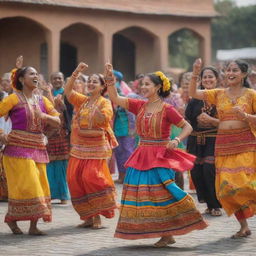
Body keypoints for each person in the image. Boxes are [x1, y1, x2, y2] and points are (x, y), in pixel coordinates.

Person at [104, 63, 207, 247]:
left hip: (160, 155)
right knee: (141, 193)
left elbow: (188, 126)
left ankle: (168, 233)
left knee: (162, 193)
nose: (142, 87)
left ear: (158, 87)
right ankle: (160, 231)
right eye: (141, 84)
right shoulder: (139, 105)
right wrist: (110, 80)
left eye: (147, 84)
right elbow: (115, 97)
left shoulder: (167, 109)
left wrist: (176, 141)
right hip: (141, 154)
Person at [189, 58, 256, 238]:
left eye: (235, 70)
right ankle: (243, 226)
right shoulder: (219, 93)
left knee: (245, 184)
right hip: (224, 144)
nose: (230, 73)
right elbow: (193, 93)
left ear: (243, 74)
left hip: (245, 144)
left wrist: (246, 115)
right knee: (227, 189)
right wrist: (196, 72)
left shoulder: (251, 94)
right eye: (228, 70)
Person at [0, 56, 60, 235]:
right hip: (17, 149)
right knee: (28, 185)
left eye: (37, 74)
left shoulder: (43, 100)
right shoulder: (13, 98)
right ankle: (14, 218)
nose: (36, 77)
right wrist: (1, 134)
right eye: (31, 74)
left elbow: (57, 120)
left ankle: (32, 225)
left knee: (40, 186)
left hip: (38, 148)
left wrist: (46, 117)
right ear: (21, 79)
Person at [64, 63, 118, 229]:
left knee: (91, 178)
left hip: (96, 148)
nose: (91, 84)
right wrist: (76, 73)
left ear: (102, 87)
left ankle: (98, 216)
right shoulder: (83, 101)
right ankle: (87, 216)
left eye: (95, 82)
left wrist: (98, 113)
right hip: (79, 147)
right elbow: (68, 92)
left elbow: (105, 119)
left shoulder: (105, 102)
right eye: (90, 81)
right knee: (74, 179)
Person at [185, 66, 222, 216]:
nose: (207, 80)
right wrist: (197, 119)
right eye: (205, 77)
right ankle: (208, 203)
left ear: (217, 79)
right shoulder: (195, 99)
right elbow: (188, 116)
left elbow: (228, 119)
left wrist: (212, 120)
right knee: (197, 172)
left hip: (213, 139)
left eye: (210, 77)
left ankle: (215, 205)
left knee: (209, 169)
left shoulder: (222, 97)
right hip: (195, 139)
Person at [45, 72, 70, 204]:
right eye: (54, 78)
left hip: (61, 134)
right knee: (49, 165)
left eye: (59, 78)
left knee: (61, 165)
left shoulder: (66, 94)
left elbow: (62, 111)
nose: (57, 80)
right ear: (51, 80)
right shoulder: (45, 94)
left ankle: (63, 195)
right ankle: (51, 194)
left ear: (63, 80)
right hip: (49, 134)